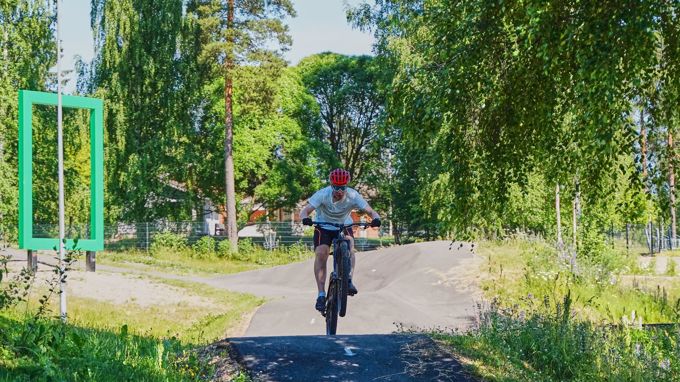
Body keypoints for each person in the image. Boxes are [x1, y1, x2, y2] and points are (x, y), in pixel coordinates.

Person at [299, 168, 381, 312]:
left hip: (344, 224)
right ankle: (321, 294)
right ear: (331, 185)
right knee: (321, 253)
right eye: (336, 187)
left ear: (346, 186)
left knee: (350, 244)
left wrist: (376, 218)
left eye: (342, 187)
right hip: (323, 225)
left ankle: (348, 280)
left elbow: (370, 210)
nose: (339, 191)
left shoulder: (353, 195)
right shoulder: (322, 194)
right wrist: (305, 218)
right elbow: (304, 210)